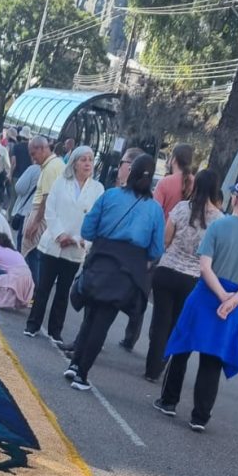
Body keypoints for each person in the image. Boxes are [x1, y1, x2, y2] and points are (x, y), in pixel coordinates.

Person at [154, 175, 238, 432]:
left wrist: (219, 294)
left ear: (235, 197)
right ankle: (200, 416)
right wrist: (232, 299)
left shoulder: (219, 226)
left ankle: (169, 401)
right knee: (212, 359)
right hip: (231, 302)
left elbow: (204, 266)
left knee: (183, 346)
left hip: (207, 294)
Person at [64, 154, 165, 391]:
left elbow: (88, 230)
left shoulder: (110, 195)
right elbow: (156, 249)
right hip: (127, 270)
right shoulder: (154, 210)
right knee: (103, 321)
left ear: (130, 173)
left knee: (90, 316)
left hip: (100, 260)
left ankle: (74, 364)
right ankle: (82, 373)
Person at [144, 170, 223, 383]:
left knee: (161, 320)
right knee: (176, 323)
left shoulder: (181, 208)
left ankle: (152, 366)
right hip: (192, 278)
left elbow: (166, 240)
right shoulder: (219, 220)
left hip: (167, 270)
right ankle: (163, 361)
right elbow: (214, 256)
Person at [23, 146, 104, 346]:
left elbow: (95, 219)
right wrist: (60, 234)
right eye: (83, 159)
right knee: (43, 287)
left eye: (90, 160)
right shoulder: (61, 182)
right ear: (74, 163)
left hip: (76, 247)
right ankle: (33, 324)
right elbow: (50, 210)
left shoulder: (97, 189)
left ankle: (55, 330)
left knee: (63, 291)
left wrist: (77, 239)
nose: (87, 163)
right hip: (53, 242)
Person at [115, 147, 147, 352]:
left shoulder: (114, 195)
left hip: (112, 256)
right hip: (134, 258)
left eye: (122, 163)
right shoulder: (150, 204)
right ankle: (131, 336)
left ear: (131, 167)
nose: (119, 166)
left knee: (101, 305)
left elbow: (89, 228)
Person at [21, 136, 64, 284]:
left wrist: (35, 223)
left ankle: (32, 289)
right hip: (45, 213)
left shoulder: (51, 167)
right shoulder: (57, 163)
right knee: (34, 253)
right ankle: (32, 289)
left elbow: (46, 198)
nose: (33, 159)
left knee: (31, 253)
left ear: (42, 149)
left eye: (33, 154)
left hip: (40, 212)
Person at [153, 143, 195, 221]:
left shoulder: (164, 182)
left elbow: (154, 212)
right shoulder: (196, 183)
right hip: (186, 232)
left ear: (174, 159)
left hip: (164, 230)